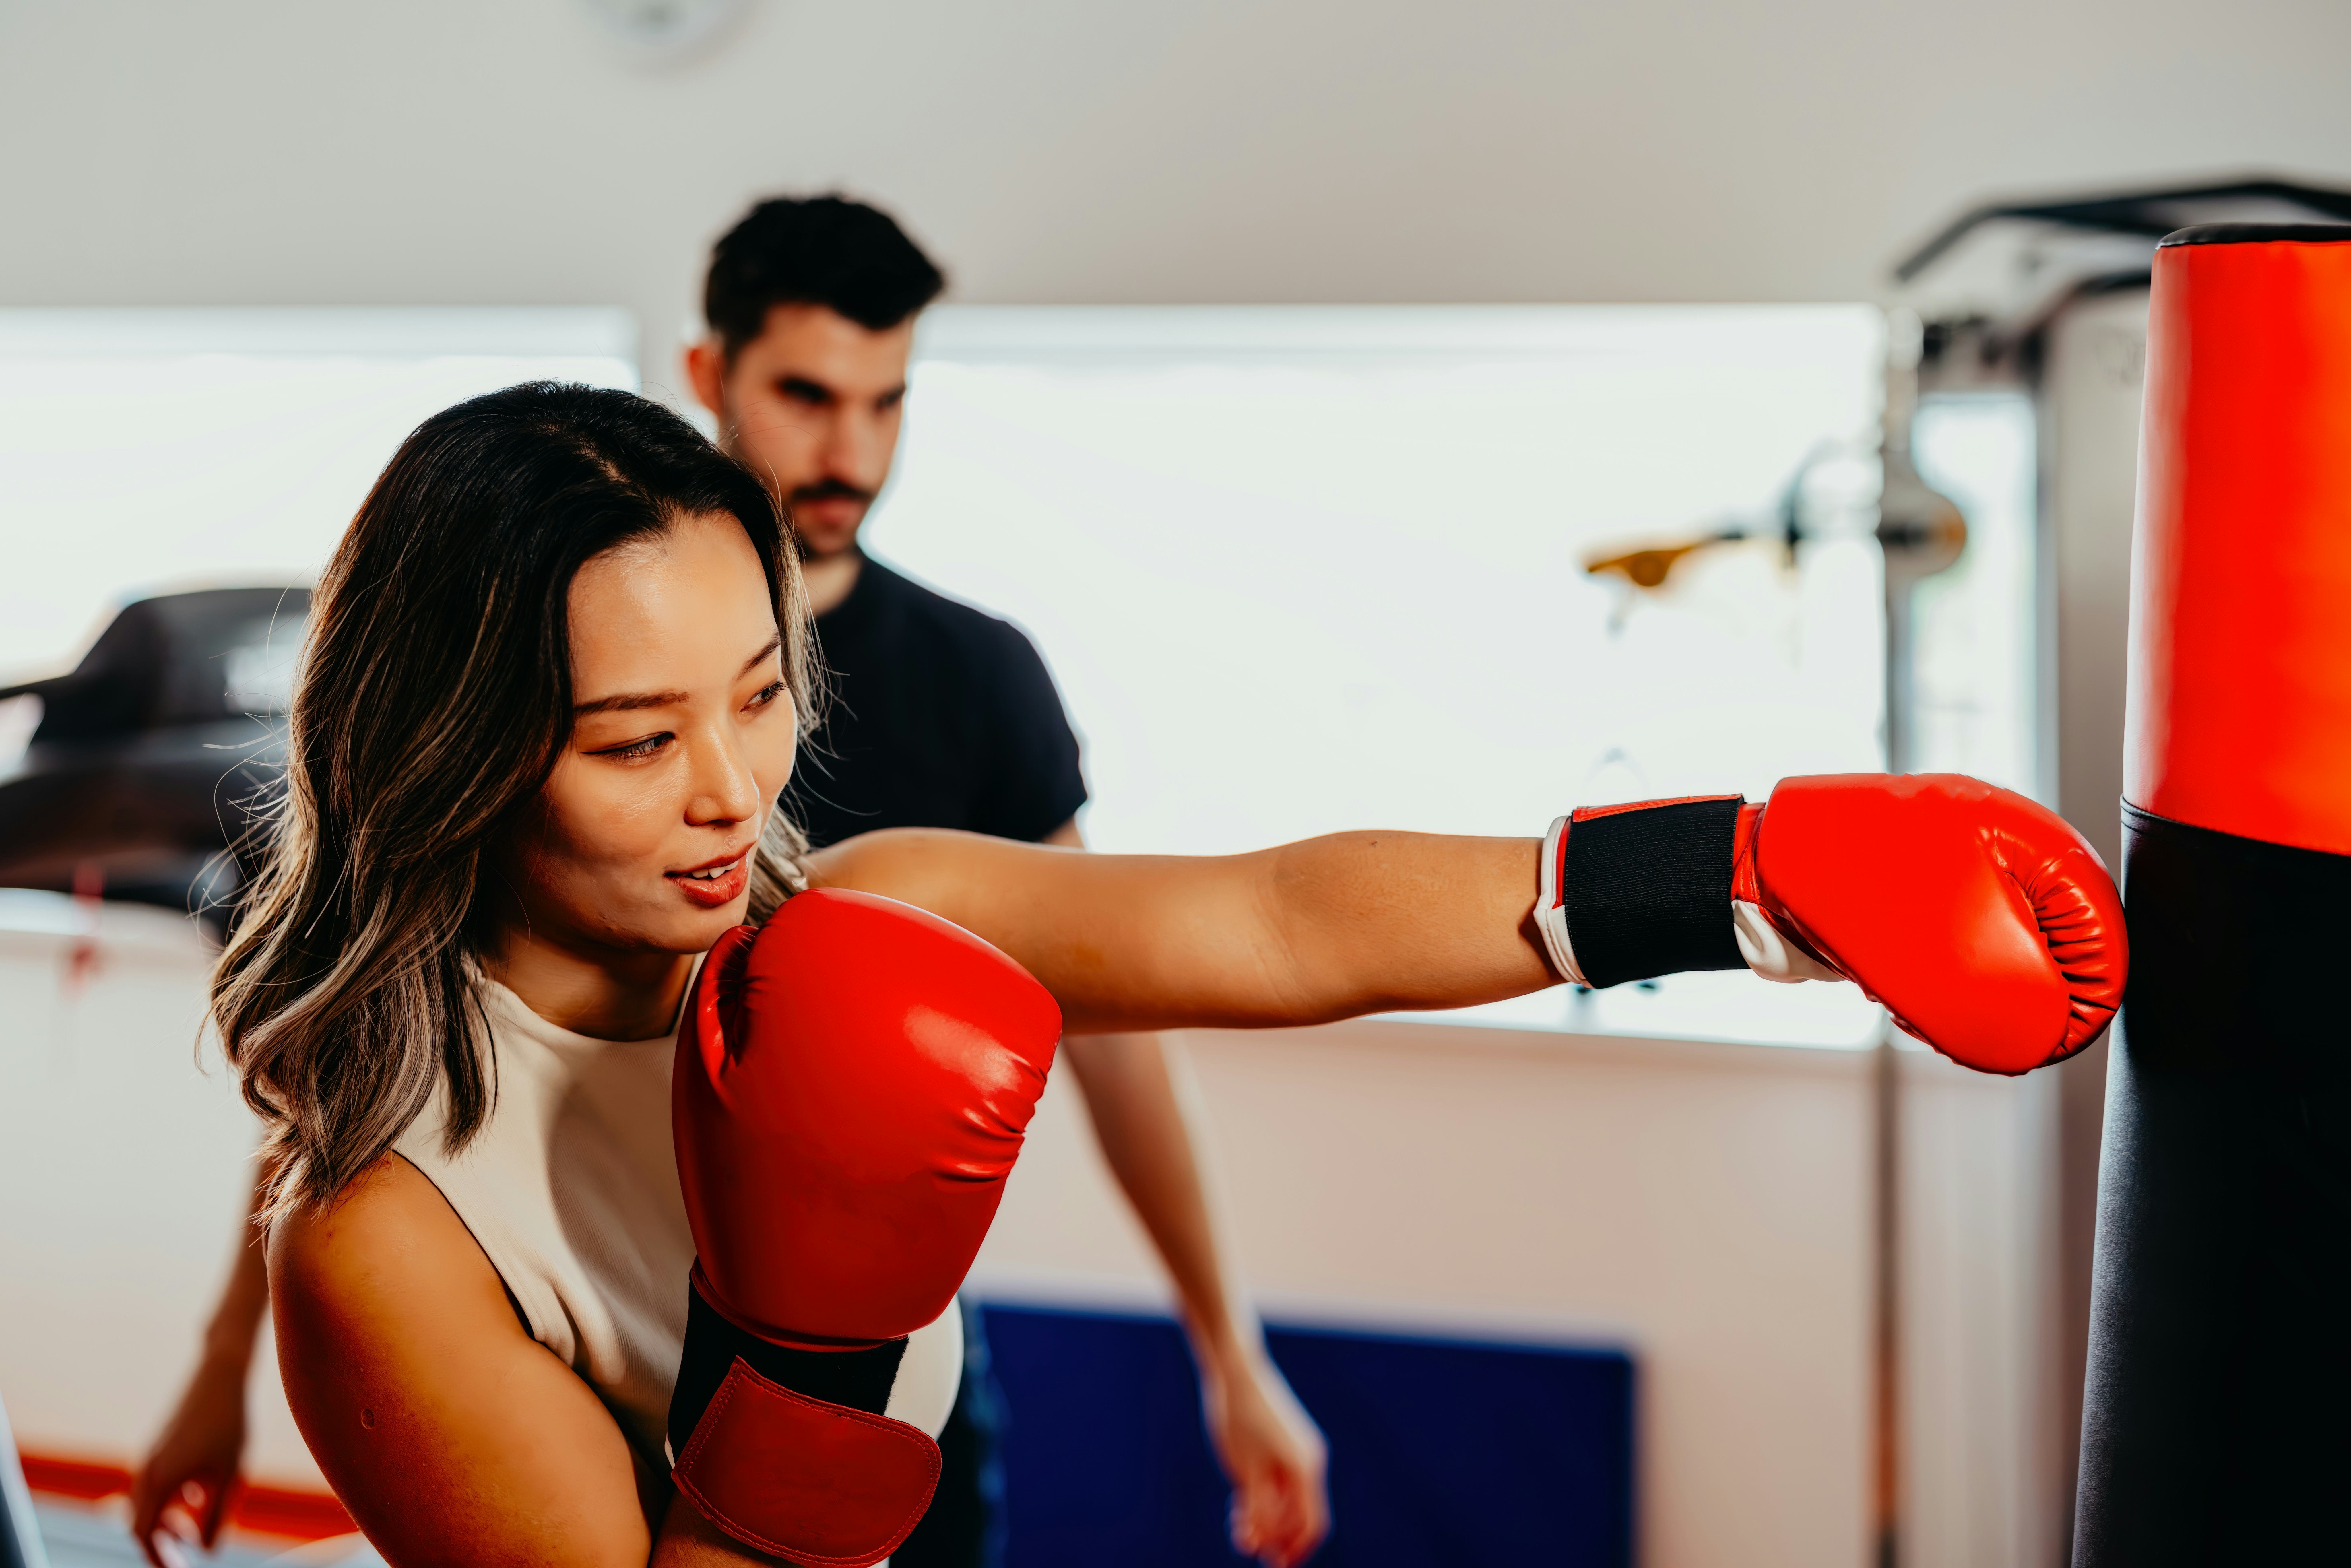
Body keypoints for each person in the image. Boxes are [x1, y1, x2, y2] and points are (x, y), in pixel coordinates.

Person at [135, 383, 2117, 1568]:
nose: (731, 793)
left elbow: (1271, 918)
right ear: (456, 751)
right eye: (635, 741)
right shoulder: (394, 1246)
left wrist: (1739, 883)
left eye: (755, 698)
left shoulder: (859, 921)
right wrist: (805, 1350)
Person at [678, 195, 1324, 1567]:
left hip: (895, 1359)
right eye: (804, 394)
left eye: (886, 402)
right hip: (618, 1314)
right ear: (706, 378)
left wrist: (1227, 1348)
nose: (849, 449)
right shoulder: (598, 654)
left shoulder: (977, 677)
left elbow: (1119, 1039)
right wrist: (228, 1353)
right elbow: (414, 983)